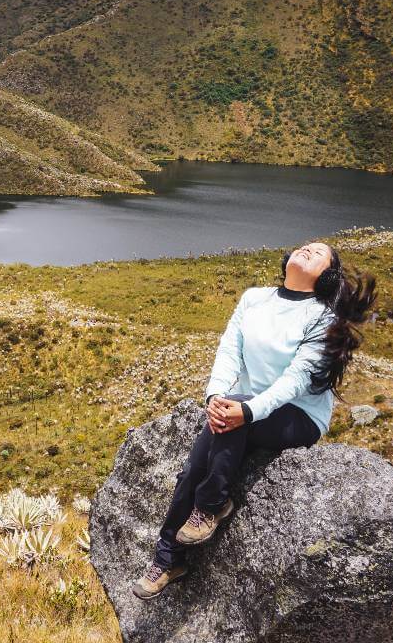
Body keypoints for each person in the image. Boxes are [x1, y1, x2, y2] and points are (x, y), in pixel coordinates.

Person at [132, 240, 377, 600]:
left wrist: (246, 410)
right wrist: (216, 397)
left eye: (319, 253)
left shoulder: (323, 317)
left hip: (298, 415)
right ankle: (168, 559)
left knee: (234, 417)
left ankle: (212, 505)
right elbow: (229, 350)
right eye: (306, 246)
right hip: (245, 407)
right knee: (191, 470)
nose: (308, 249)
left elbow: (296, 381)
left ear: (328, 275)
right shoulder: (254, 298)